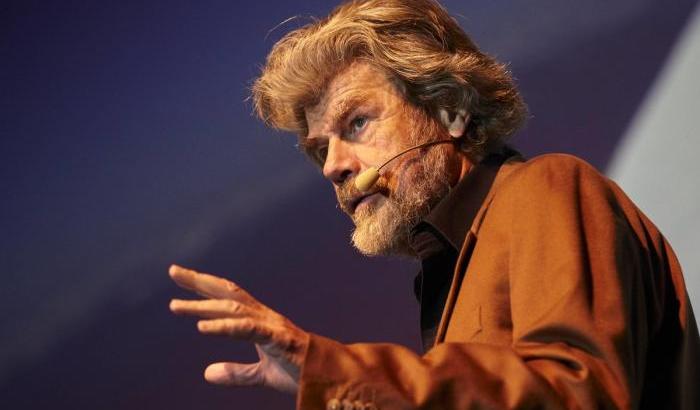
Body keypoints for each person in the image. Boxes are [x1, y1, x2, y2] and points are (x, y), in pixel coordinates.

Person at [168, 0, 700, 408]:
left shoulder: (545, 187)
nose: (332, 165)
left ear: (450, 110)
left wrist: (326, 366)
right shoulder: (450, 268)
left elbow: (577, 394)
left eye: (357, 122)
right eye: (319, 149)